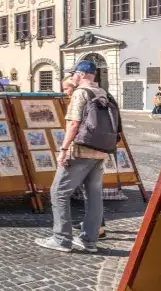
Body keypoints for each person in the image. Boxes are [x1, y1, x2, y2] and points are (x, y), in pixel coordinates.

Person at [37, 60, 112, 253]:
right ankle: (89, 240)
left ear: (83, 74)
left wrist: (63, 149)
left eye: (75, 74)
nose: (72, 77)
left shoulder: (81, 93)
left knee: (59, 192)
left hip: (79, 151)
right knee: (94, 195)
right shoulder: (103, 93)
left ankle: (61, 239)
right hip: (100, 151)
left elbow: (73, 124)